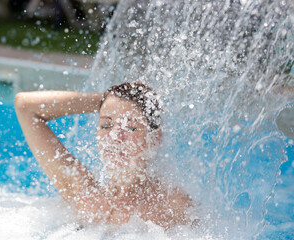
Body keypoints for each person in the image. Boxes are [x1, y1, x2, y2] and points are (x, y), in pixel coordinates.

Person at [14, 82, 193, 230]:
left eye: (130, 128)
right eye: (106, 126)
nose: (115, 137)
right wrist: (107, 100)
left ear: (154, 139)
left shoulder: (172, 205)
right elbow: (25, 106)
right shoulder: (83, 193)